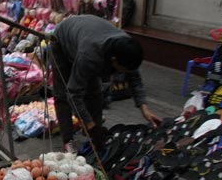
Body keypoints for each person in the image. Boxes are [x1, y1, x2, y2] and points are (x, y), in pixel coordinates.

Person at [50, 14, 161, 153]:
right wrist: (89, 124)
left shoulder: (128, 48)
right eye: (123, 70)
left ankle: (94, 137)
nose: (124, 73)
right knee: (62, 95)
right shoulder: (90, 55)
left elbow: (135, 79)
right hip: (62, 40)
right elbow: (73, 93)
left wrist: (145, 110)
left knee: (95, 93)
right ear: (114, 60)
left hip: (88, 34)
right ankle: (68, 140)